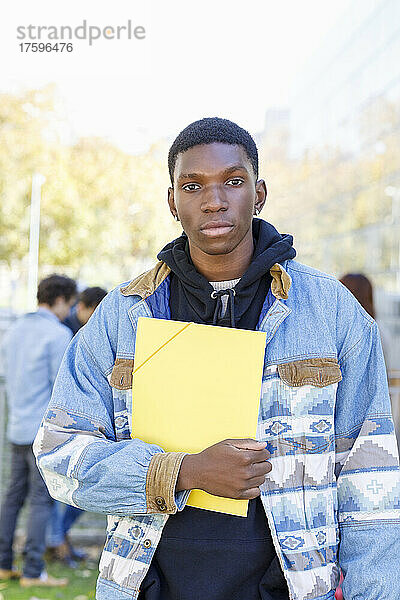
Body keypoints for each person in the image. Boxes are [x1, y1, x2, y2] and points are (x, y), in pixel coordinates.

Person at [34, 118, 400, 600]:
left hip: (290, 586)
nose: (214, 200)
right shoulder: (123, 316)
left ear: (259, 192)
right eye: (193, 186)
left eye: (233, 181)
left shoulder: (332, 312)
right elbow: (59, 454)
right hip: (150, 585)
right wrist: (186, 471)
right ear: (172, 201)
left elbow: (369, 479)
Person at [0, 274, 77, 588]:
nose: (68, 311)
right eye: (69, 304)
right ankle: (33, 572)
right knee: (41, 501)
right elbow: (63, 387)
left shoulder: (13, 331)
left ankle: (4, 565)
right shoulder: (57, 334)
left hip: (16, 427)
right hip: (42, 432)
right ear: (60, 299)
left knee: (12, 499)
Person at [47, 286, 107, 564]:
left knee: (74, 495)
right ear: (84, 307)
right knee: (59, 497)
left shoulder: (81, 330)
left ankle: (60, 542)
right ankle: (57, 546)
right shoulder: (68, 333)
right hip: (61, 424)